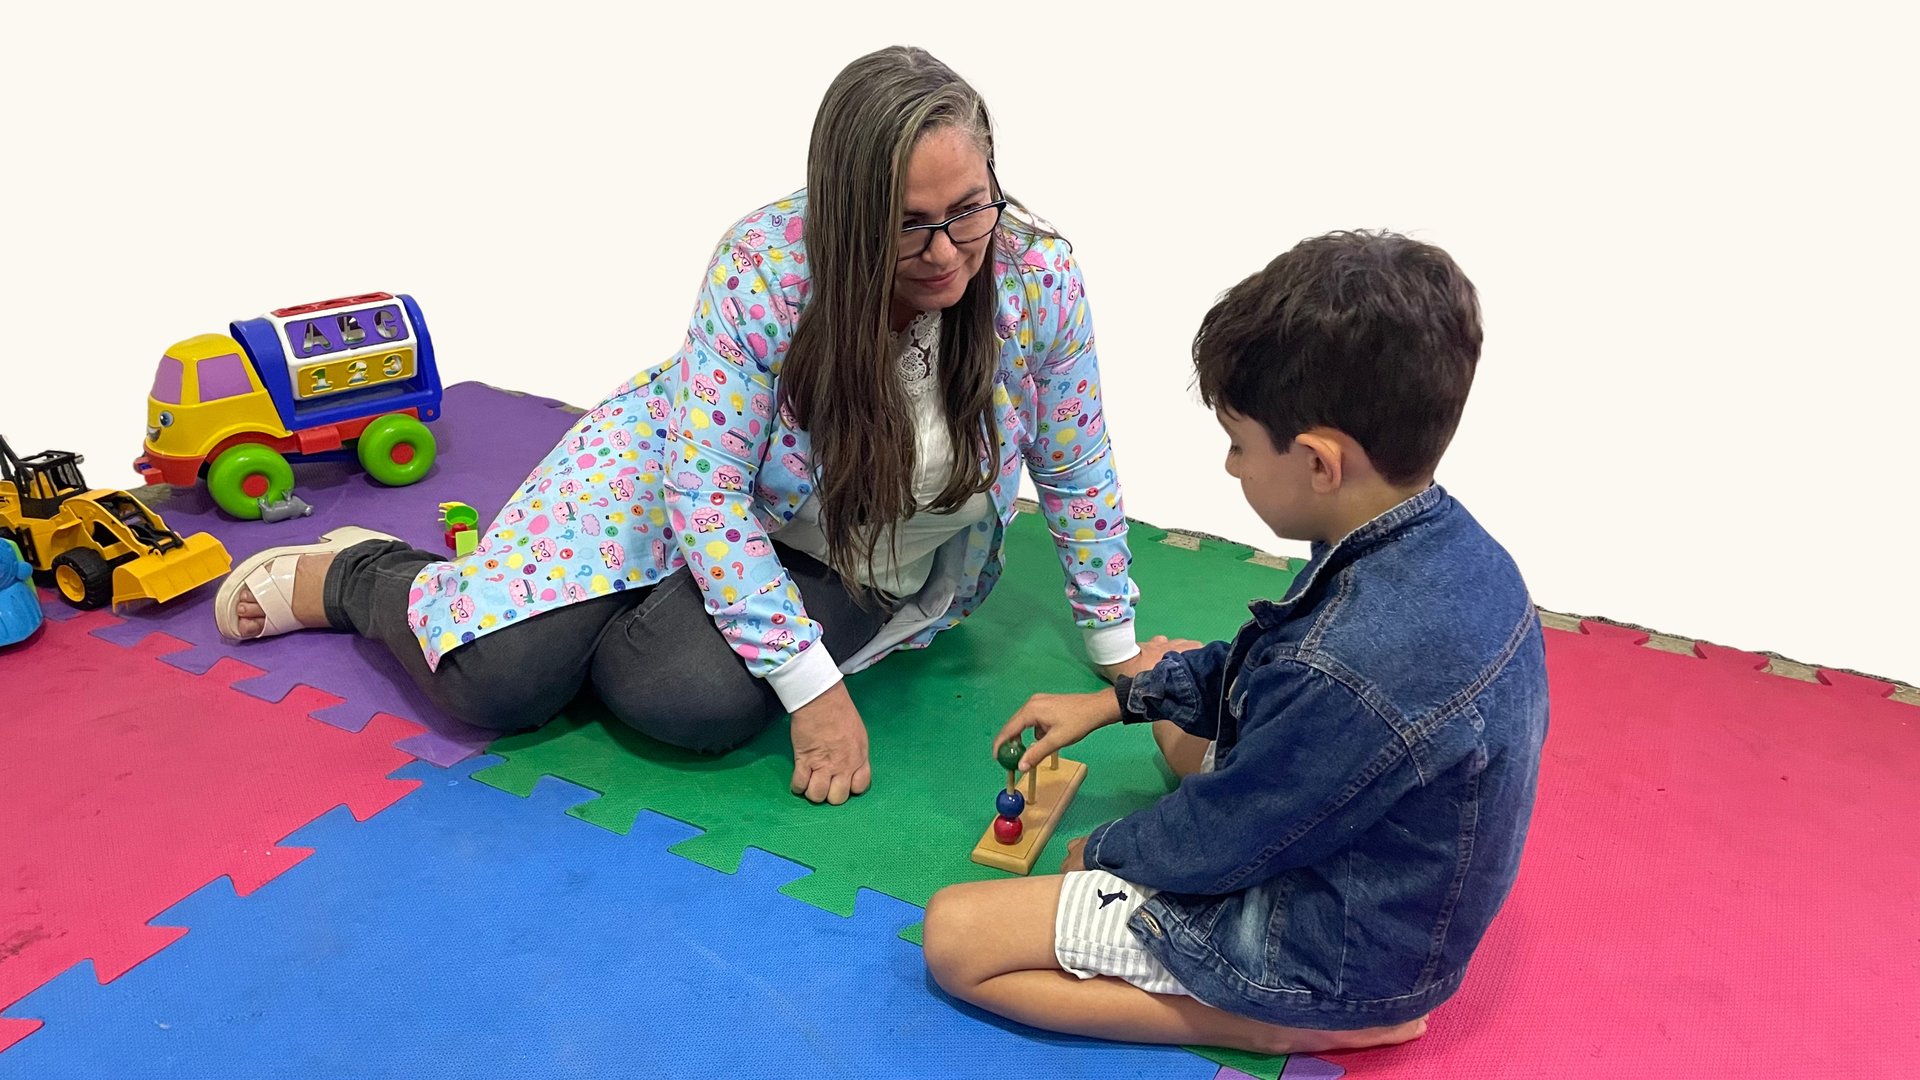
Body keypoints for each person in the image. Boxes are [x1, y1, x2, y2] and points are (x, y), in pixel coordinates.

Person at [211, 45, 1178, 804]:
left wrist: (1116, 642)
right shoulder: (766, 264)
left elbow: (1076, 459)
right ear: (846, 215)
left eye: (968, 210)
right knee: (491, 683)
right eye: (906, 223)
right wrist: (814, 691)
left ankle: (594, 624)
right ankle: (358, 573)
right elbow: (704, 486)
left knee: (682, 700)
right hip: (676, 475)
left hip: (843, 550)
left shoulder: (1036, 274)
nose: (945, 252)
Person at [922, 231, 1551, 1055]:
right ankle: (1301, 998)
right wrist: (1114, 702)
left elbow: (1224, 836)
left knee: (957, 938)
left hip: (1336, 953)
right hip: (1392, 878)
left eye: (1239, 445)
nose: (1230, 467)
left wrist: (1102, 851)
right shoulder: (1445, 546)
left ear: (1320, 462)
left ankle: (1271, 1022)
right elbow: (1278, 683)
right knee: (1167, 669)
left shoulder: (1345, 669)